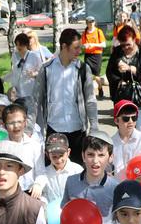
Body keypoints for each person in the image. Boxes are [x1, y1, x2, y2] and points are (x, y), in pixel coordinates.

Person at [31, 28, 99, 166]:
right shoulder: (47, 69)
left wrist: (94, 126)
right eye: (76, 48)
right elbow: (35, 100)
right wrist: (30, 126)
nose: (79, 51)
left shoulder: (82, 69)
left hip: (78, 131)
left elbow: (90, 100)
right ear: (64, 46)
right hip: (54, 130)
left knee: (79, 170)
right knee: (53, 171)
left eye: (80, 47)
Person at [2, 103, 44, 194]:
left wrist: (38, 184)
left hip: (30, 191)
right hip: (9, 192)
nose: (16, 126)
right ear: (4, 126)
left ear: (25, 123)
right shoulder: (1, 147)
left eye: (19, 122)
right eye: (11, 123)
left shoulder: (34, 145)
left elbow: (41, 172)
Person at [33, 133, 83, 205]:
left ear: (68, 152)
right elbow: (44, 195)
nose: (58, 160)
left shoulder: (77, 170)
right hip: (51, 209)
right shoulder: (44, 174)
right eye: (54, 157)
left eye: (61, 155)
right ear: (47, 154)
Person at [106, 26, 141, 103]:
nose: (126, 47)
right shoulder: (117, 51)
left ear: (134, 39)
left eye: (128, 44)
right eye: (123, 45)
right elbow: (109, 72)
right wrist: (119, 81)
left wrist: (132, 69)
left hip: (139, 94)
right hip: (121, 94)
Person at [10, 32, 45, 101]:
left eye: (21, 44)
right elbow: (13, 71)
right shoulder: (14, 56)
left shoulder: (34, 56)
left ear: (26, 45)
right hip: (17, 92)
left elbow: (42, 72)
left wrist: (34, 74)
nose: (18, 47)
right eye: (17, 44)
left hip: (29, 91)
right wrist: (3, 79)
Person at [81, 16, 107, 99]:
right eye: (89, 22)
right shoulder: (85, 33)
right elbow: (82, 45)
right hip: (88, 55)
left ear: (95, 22)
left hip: (97, 55)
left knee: (96, 76)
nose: (91, 23)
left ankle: (100, 88)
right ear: (87, 23)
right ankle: (88, 92)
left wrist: (93, 45)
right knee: (87, 74)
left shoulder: (99, 31)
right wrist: (84, 46)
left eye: (92, 22)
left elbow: (104, 45)